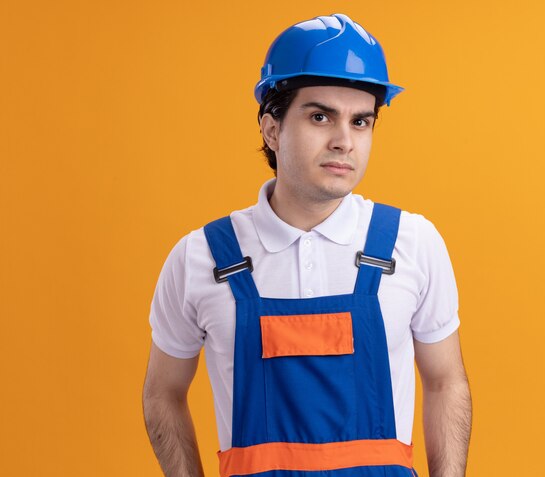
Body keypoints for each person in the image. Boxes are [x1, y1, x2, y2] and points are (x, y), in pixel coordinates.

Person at [143, 13, 472, 477]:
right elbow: (162, 393)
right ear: (271, 129)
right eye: (321, 116)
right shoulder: (202, 258)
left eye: (361, 121)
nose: (344, 141)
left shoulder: (411, 243)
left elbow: (445, 382)